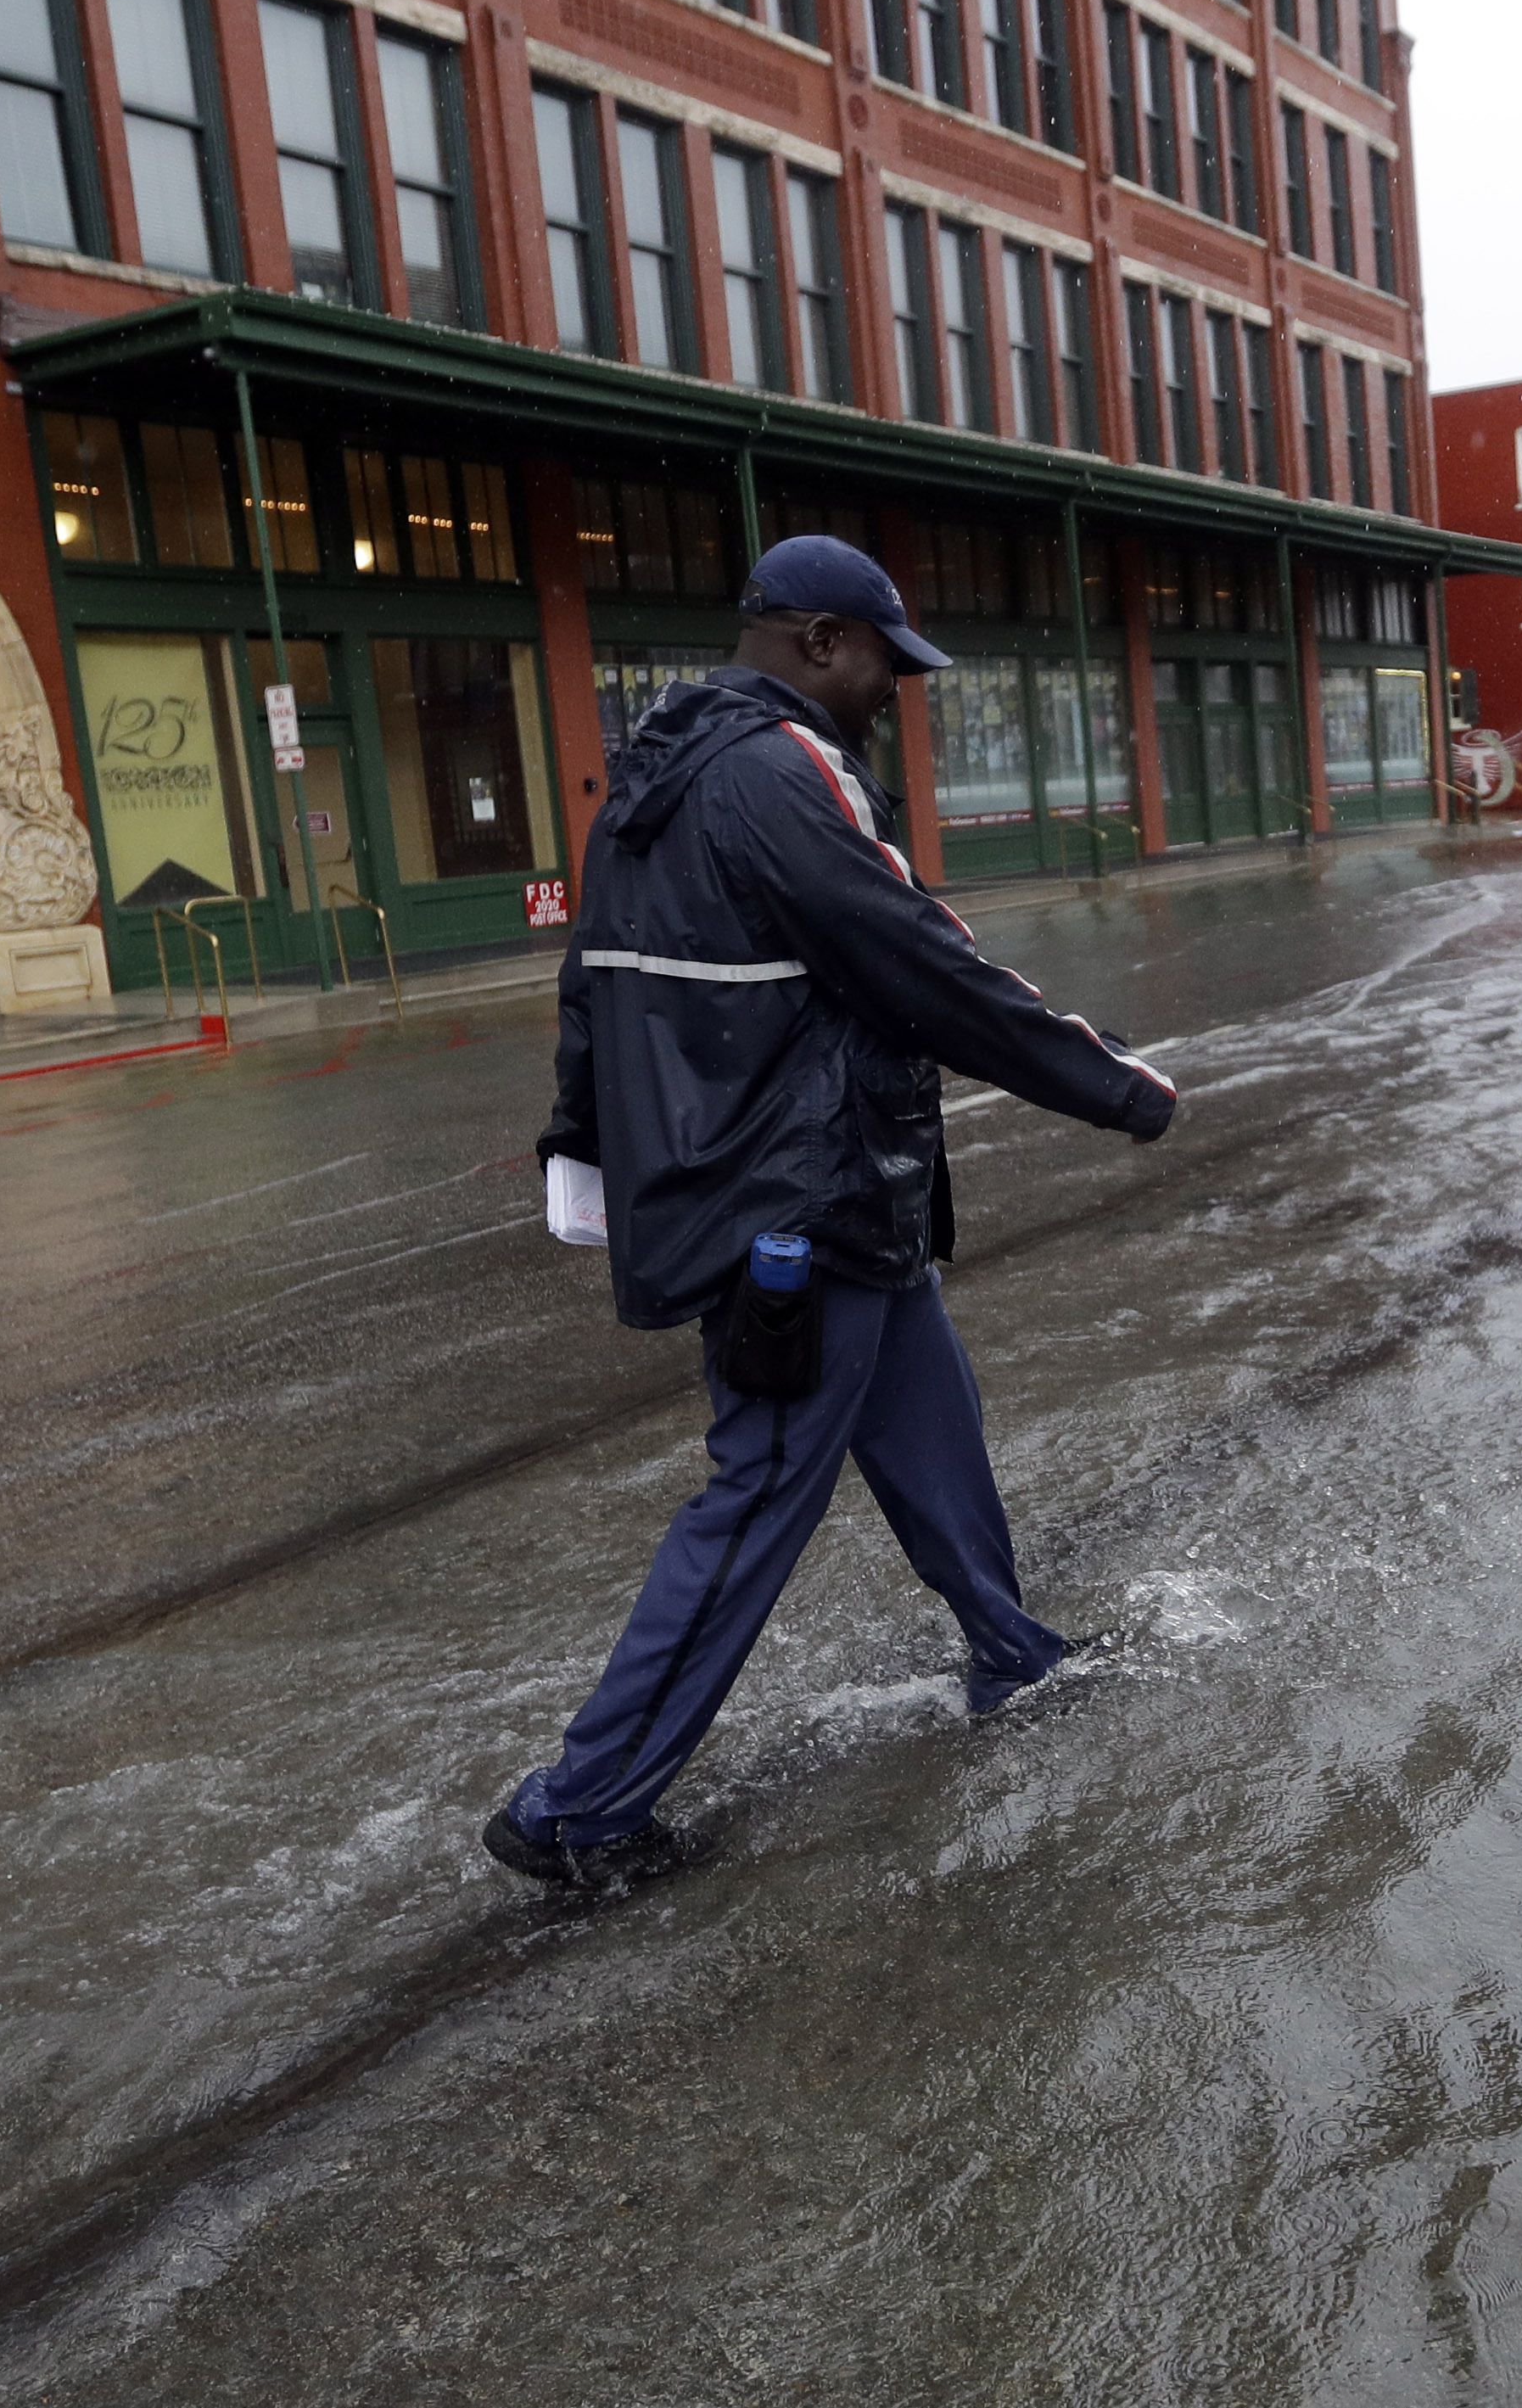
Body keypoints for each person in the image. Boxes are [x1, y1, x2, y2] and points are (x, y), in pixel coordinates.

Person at [488, 535, 1178, 1892]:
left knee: (927, 1416)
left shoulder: (656, 775)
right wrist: (1111, 1088)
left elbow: (593, 989)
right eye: (880, 663)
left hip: (804, 1191)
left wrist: (583, 1154)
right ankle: (578, 1809)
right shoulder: (783, 771)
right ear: (815, 641)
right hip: (797, 1196)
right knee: (757, 1497)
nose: (890, 693)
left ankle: (1010, 1649)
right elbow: (920, 960)